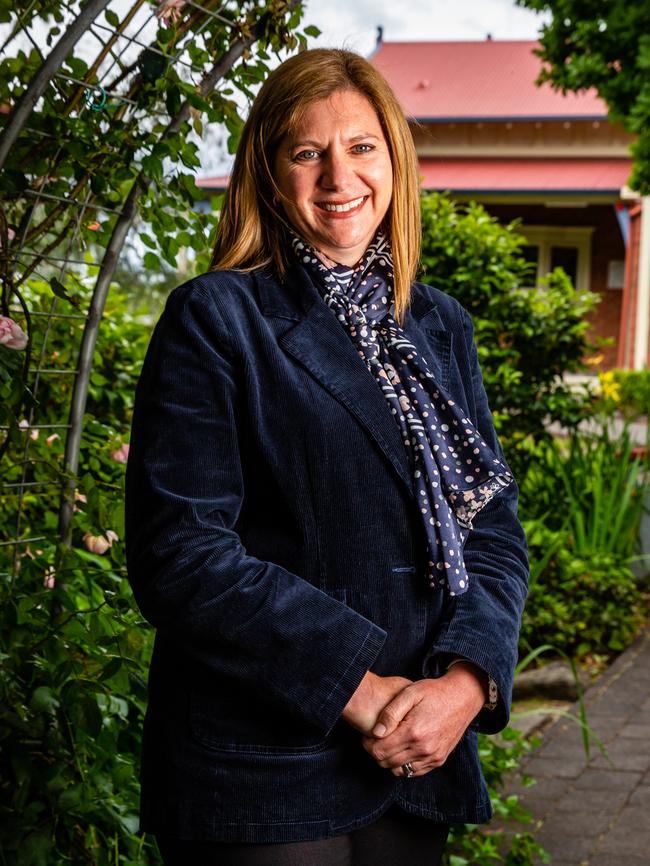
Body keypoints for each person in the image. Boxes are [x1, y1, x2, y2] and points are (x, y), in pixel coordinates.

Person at [125, 47, 528, 866]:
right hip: (259, 763)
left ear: (394, 161)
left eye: (361, 147)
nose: (338, 177)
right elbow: (182, 553)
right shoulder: (217, 318)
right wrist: (360, 687)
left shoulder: (438, 325)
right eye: (307, 152)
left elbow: (490, 530)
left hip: (419, 755)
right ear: (271, 173)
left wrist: (465, 683)